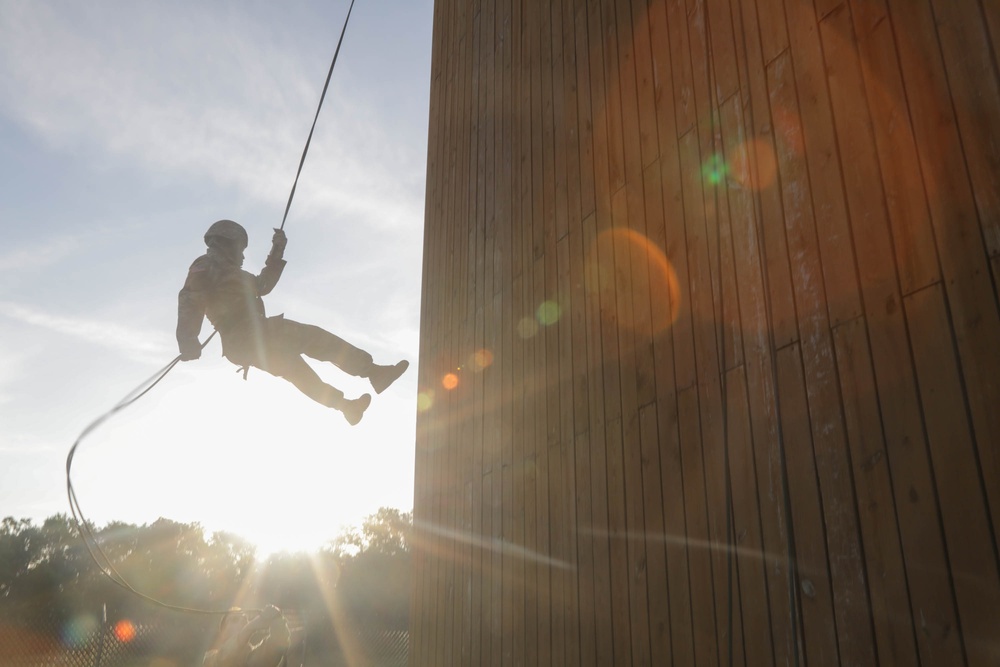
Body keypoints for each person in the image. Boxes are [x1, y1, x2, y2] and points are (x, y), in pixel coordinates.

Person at [177, 219, 408, 425]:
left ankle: (346, 407)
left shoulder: (229, 273)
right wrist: (187, 340)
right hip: (251, 335)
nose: (243, 255)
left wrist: (278, 249)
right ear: (228, 243)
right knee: (316, 339)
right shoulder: (206, 265)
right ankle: (373, 372)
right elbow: (189, 298)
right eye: (241, 248)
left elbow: (263, 286)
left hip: (245, 344)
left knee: (298, 372)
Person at [203, 605, 290, 667]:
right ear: (224, 633)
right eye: (235, 619)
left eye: (245, 619)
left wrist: (278, 622)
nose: (242, 621)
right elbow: (224, 657)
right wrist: (250, 627)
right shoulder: (210, 658)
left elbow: (271, 653)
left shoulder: (252, 656)